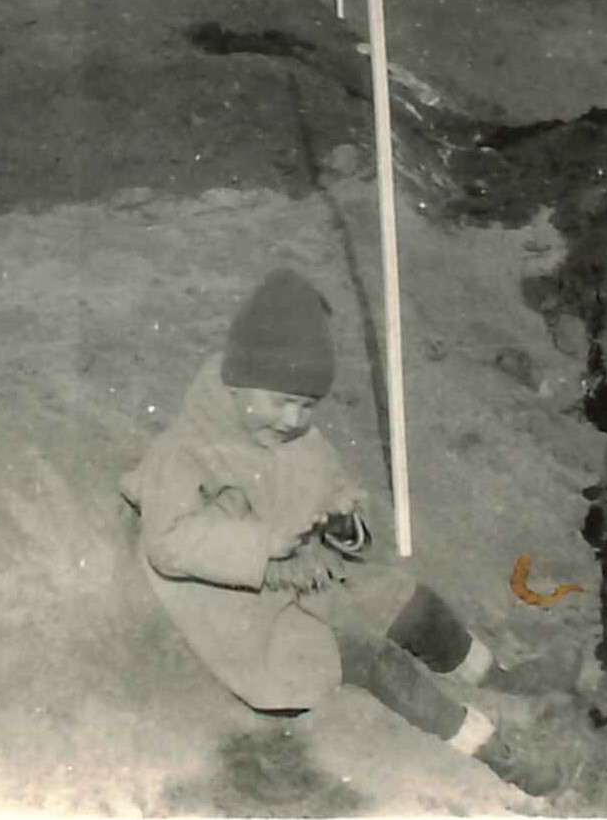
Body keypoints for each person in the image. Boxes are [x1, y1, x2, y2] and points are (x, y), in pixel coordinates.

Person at [123, 270, 577, 798]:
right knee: (373, 659)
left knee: (415, 604)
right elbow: (167, 543)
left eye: (306, 405)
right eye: (280, 401)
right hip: (238, 611)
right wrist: (260, 545)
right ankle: (494, 751)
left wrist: (342, 523)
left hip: (304, 583)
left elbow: (339, 505)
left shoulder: (294, 436)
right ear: (237, 382)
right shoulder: (187, 449)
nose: (293, 418)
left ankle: (497, 678)